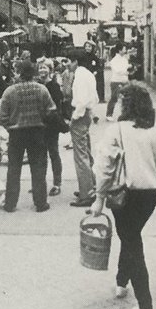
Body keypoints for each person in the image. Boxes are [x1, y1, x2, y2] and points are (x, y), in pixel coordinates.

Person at [89, 82, 156, 309]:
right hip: (150, 195)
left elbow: (104, 168)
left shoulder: (116, 130)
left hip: (123, 194)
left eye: (121, 101)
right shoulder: (151, 131)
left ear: (127, 105)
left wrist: (99, 199)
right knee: (131, 235)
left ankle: (145, 305)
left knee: (132, 241)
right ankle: (121, 281)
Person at [0, 60, 54, 213]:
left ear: (18, 73)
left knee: (14, 169)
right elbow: (51, 111)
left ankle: (10, 203)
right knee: (38, 168)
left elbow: (2, 118)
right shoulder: (42, 90)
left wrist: (10, 128)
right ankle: (41, 203)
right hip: (37, 132)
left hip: (16, 134)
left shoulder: (9, 92)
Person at [68, 53, 99, 208]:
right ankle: (91, 186)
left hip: (80, 115)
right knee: (86, 152)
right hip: (87, 114)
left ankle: (86, 194)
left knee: (80, 156)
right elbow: (94, 97)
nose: (67, 64)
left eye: (68, 61)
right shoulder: (88, 75)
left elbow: (81, 101)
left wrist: (74, 117)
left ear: (75, 61)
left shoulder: (79, 77)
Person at [37, 60, 67, 197]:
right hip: (38, 124)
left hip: (51, 125)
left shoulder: (54, 86)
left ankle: (57, 183)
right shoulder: (37, 85)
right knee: (40, 155)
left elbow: (57, 107)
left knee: (53, 153)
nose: (42, 71)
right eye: (40, 68)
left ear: (50, 70)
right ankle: (40, 183)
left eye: (44, 68)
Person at [105, 44, 132, 119]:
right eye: (124, 49)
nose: (125, 50)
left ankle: (126, 114)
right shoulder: (114, 60)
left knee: (127, 98)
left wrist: (130, 68)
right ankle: (109, 114)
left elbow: (126, 68)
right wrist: (125, 71)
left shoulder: (125, 59)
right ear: (119, 50)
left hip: (125, 80)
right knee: (114, 98)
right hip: (116, 81)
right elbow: (117, 70)